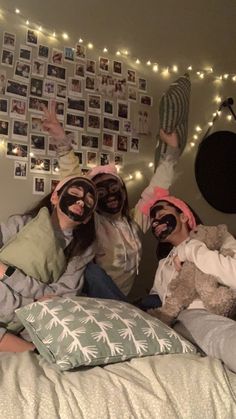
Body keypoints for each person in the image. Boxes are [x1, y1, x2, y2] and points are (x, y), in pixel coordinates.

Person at [41, 102, 179, 300]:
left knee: (158, 300)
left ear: (123, 191)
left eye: (114, 189)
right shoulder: (92, 220)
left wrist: (172, 150)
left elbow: (156, 190)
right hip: (91, 297)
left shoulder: (135, 222)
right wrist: (61, 139)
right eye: (102, 192)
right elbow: (74, 181)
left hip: (119, 300)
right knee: (92, 271)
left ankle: (130, 310)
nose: (111, 196)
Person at [138, 187, 236, 373]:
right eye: (153, 219)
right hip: (170, 323)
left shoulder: (217, 238)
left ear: (183, 216)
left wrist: (190, 250)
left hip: (201, 315)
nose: (155, 221)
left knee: (220, 336)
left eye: (161, 213)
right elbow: (156, 298)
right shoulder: (163, 265)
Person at [0, 175, 97, 352]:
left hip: (22, 317)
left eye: (89, 202)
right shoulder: (20, 225)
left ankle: (34, 351)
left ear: (87, 218)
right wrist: (35, 296)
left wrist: (7, 273)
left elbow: (59, 298)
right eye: (75, 193)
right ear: (55, 197)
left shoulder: (80, 252)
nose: (81, 202)